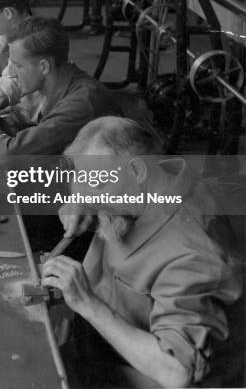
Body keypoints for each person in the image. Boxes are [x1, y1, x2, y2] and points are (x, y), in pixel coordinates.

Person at [41, 116, 243, 388]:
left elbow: (177, 373)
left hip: (152, 371)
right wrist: (82, 202)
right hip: (107, 334)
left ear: (137, 171)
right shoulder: (152, 181)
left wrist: (88, 304)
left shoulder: (192, 252)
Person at [0, 16, 122, 156]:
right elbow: (16, 117)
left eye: (17, 65)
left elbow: (12, 155)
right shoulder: (53, 82)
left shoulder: (81, 104)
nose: (11, 72)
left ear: (44, 66)